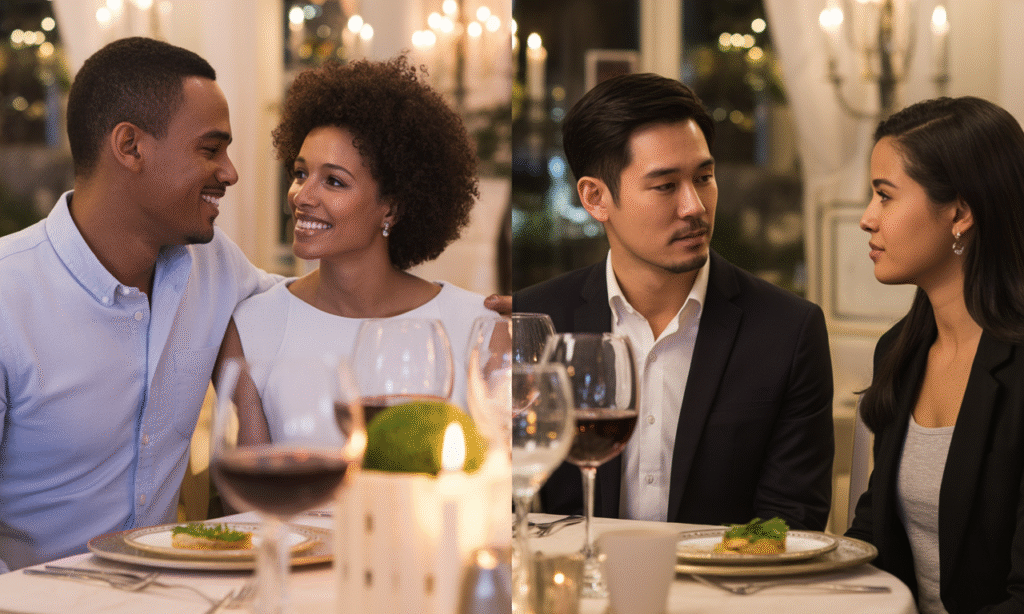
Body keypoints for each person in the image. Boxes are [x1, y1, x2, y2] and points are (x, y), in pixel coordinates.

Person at [0, 37, 280, 572]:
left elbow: (315, 310)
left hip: (174, 593)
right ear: (129, 147)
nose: (230, 172)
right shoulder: (8, 297)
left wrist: (479, 315)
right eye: (210, 148)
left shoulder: (215, 265)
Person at [513, 73, 834, 530]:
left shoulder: (787, 330)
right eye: (665, 186)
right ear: (595, 197)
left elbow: (791, 524)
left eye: (704, 177)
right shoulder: (539, 323)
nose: (695, 207)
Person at [216, 56, 493, 441]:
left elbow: (501, 483)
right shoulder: (253, 327)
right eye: (300, 173)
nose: (301, 196)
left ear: (392, 207)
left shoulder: (477, 327)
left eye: (333, 181)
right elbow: (253, 492)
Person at [846, 96, 1024, 614]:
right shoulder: (899, 351)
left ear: (961, 212)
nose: (866, 218)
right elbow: (873, 534)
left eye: (885, 196)